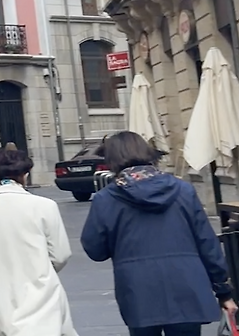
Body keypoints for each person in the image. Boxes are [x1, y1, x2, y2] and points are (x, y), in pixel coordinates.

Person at [80, 131, 237, 336]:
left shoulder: (106, 199)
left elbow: (95, 250)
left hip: (138, 291)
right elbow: (207, 243)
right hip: (186, 285)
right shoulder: (183, 190)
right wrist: (223, 291)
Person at [0, 149, 76, 336]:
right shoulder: (46, 206)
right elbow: (60, 255)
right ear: (25, 175)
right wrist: (40, 269)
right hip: (42, 293)